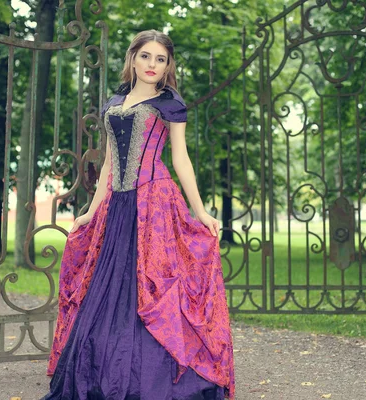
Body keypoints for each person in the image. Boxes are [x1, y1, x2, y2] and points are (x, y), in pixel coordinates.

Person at [42, 29, 236, 400]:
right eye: (146, 56)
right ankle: (104, 370)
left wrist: (200, 210)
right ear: (132, 58)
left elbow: (180, 158)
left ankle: (153, 379)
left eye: (160, 59)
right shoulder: (114, 101)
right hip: (117, 207)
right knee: (106, 292)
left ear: (167, 66)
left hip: (155, 205)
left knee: (154, 290)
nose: (152, 65)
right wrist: (90, 210)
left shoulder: (170, 103)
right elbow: (110, 163)